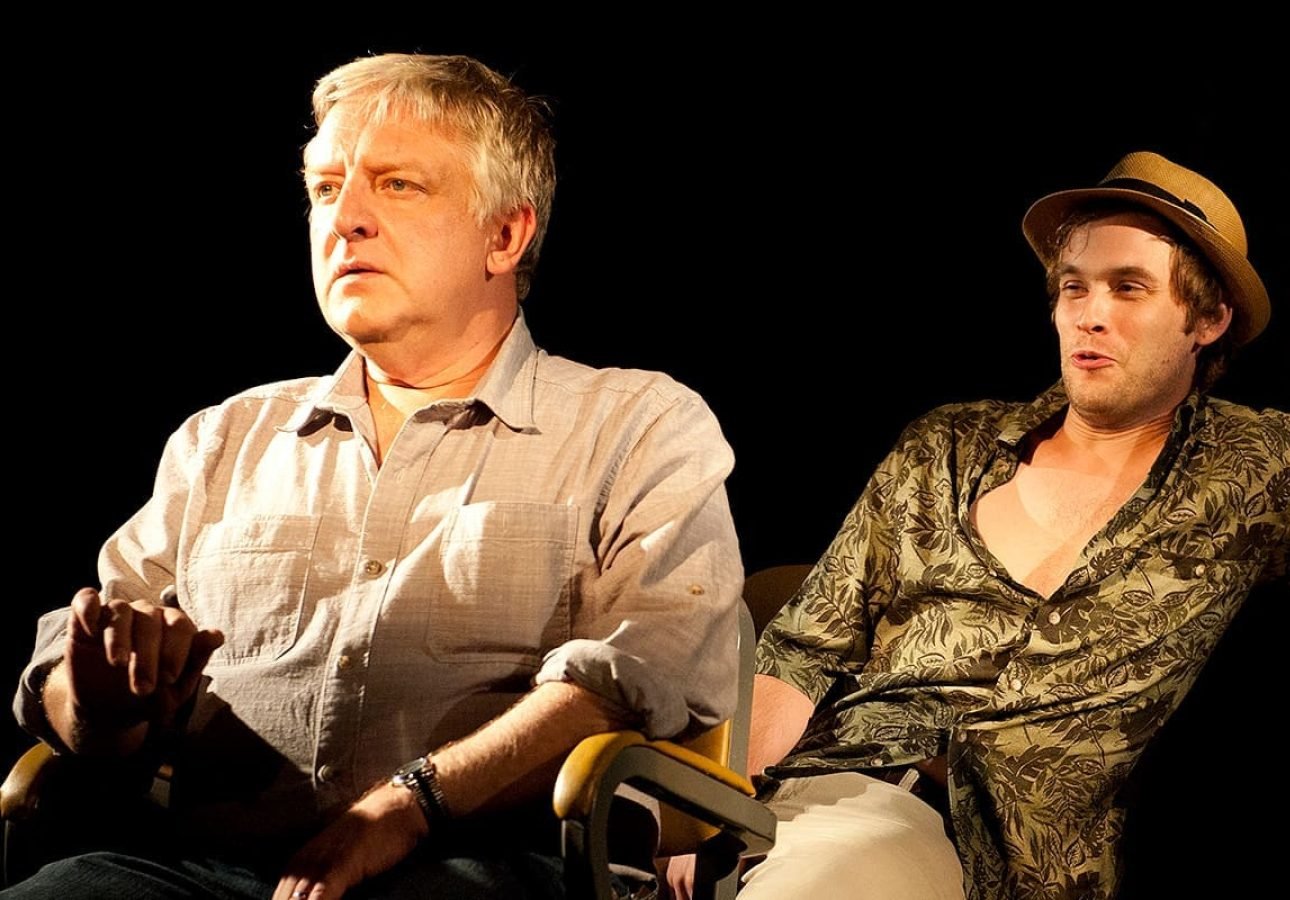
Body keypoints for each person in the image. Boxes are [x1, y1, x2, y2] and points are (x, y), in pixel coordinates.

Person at [666, 151, 1290, 900]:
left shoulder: (1254, 467)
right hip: (829, 800)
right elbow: (805, 650)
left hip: (1014, 862)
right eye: (1073, 286)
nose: (1089, 312)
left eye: (1128, 288)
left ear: (1209, 318)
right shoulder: (946, 446)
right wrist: (709, 808)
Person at [5, 53, 742, 900]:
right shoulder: (223, 439)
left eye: (396, 186)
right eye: (324, 189)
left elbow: (638, 677)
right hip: (201, 873)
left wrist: (406, 807)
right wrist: (101, 700)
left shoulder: (639, 424)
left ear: (505, 235)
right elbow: (85, 697)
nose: (344, 217)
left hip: (491, 866)